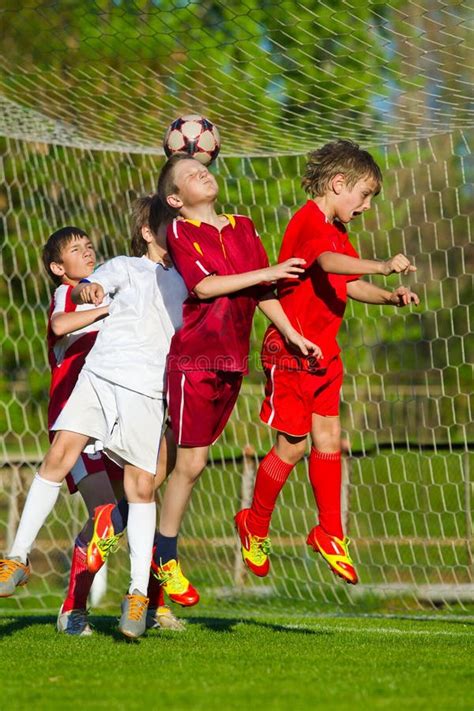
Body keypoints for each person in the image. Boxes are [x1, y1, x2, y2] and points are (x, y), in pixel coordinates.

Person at [0, 195, 188, 639]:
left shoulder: (166, 282)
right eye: (76, 249)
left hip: (134, 404)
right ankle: (50, 586)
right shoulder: (77, 289)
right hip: (88, 416)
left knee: (127, 506)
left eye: (89, 246)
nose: (87, 252)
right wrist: (104, 301)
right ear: (57, 267)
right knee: (107, 509)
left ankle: (143, 599)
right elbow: (66, 321)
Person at [234, 139, 420, 584]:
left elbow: (347, 281)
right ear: (339, 184)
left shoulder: (339, 231)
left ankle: (329, 532)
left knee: (330, 437)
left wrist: (389, 298)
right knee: (293, 445)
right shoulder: (308, 222)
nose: (366, 206)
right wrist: (383, 266)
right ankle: (254, 525)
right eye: (364, 195)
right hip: (292, 350)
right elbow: (328, 261)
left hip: (325, 354)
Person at [149, 153, 322, 592]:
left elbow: (264, 290)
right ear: (175, 198)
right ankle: (163, 557)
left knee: (175, 464)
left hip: (231, 363)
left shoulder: (242, 225)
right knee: (192, 462)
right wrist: (270, 271)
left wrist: (292, 333)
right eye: (189, 174)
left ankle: (124, 515)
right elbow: (204, 286)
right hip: (195, 360)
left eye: (203, 168)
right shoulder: (180, 231)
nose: (202, 173)